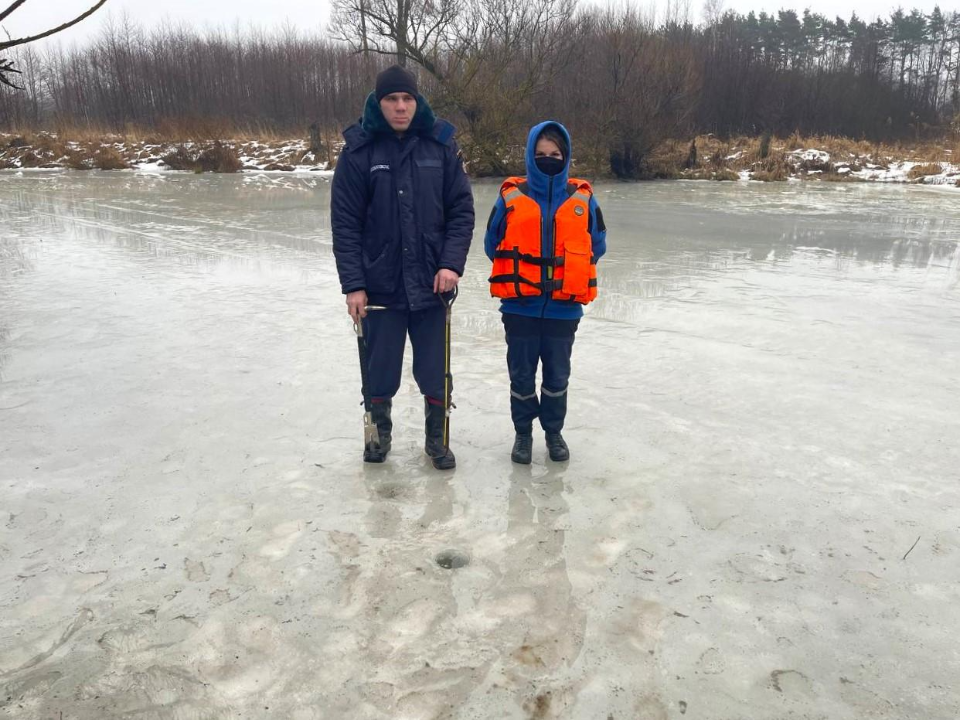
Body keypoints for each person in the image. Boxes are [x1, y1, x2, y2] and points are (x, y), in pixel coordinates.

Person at [332, 65, 474, 469]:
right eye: (392, 99)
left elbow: (462, 211)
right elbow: (345, 225)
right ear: (379, 104)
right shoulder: (360, 152)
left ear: (418, 102)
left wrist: (451, 264)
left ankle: (437, 439)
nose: (400, 107)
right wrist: (354, 285)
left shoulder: (440, 146)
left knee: (434, 370)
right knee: (380, 373)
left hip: (433, 285)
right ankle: (379, 435)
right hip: (380, 287)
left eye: (407, 99)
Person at [483, 121, 606, 464]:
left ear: (565, 157)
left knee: (557, 377)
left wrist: (572, 268)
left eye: (555, 154)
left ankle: (553, 432)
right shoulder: (510, 195)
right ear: (529, 156)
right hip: (519, 308)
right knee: (521, 376)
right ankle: (523, 434)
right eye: (540, 155)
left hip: (563, 311)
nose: (548, 159)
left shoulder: (582, 198)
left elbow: (598, 244)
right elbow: (493, 244)